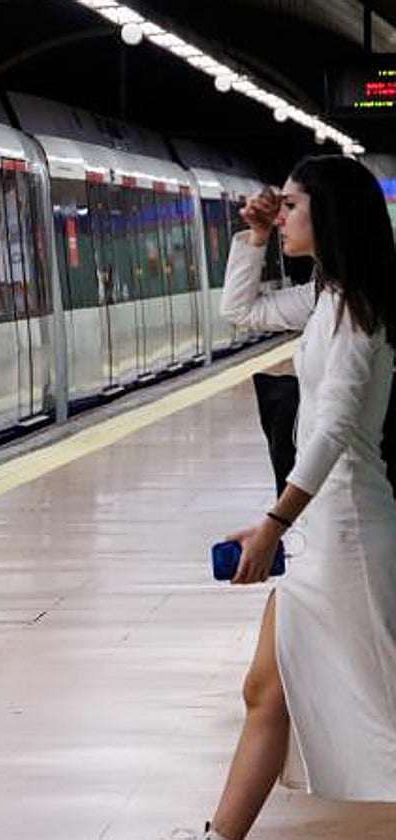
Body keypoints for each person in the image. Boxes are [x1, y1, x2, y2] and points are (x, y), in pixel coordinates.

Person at [177, 155, 396, 839]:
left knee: (384, 709)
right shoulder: (328, 298)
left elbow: (332, 430)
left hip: (349, 536)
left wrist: (274, 523)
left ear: (329, 216)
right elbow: (238, 310)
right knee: (264, 692)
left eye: (294, 207)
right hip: (318, 532)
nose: (283, 214)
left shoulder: (361, 312)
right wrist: (255, 238)